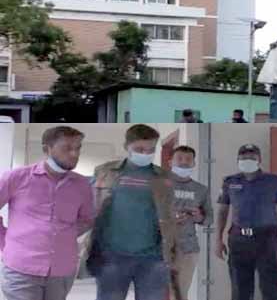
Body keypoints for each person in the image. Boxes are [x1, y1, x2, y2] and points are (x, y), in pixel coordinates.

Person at [78, 124, 179, 300]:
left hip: (153, 258)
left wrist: (173, 251)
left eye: (151, 150)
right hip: (111, 256)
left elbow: (169, 215)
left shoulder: (164, 177)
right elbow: (92, 206)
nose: (145, 154)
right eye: (139, 149)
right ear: (126, 147)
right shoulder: (105, 171)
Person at [0, 126, 95, 300]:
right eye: (67, 148)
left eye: (78, 148)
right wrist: (4, 241)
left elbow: (87, 219)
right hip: (21, 268)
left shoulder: (82, 185)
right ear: (47, 149)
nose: (74, 154)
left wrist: (64, 236)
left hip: (62, 270)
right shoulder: (17, 177)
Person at [215, 144, 277, 300]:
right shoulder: (230, 182)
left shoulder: (274, 181)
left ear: (259, 160)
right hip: (239, 240)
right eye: (243, 158)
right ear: (238, 160)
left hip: (267, 239)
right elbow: (222, 211)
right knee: (240, 289)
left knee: (271, 288)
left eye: (252, 158)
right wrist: (218, 239)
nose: (247, 161)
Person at [169, 145, 213, 300]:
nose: (184, 162)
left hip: (188, 248)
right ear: (170, 162)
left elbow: (209, 219)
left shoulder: (201, 189)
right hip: (158, 247)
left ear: (194, 163)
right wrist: (169, 219)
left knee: (180, 293)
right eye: (179, 158)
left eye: (188, 159)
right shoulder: (159, 184)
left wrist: (198, 217)